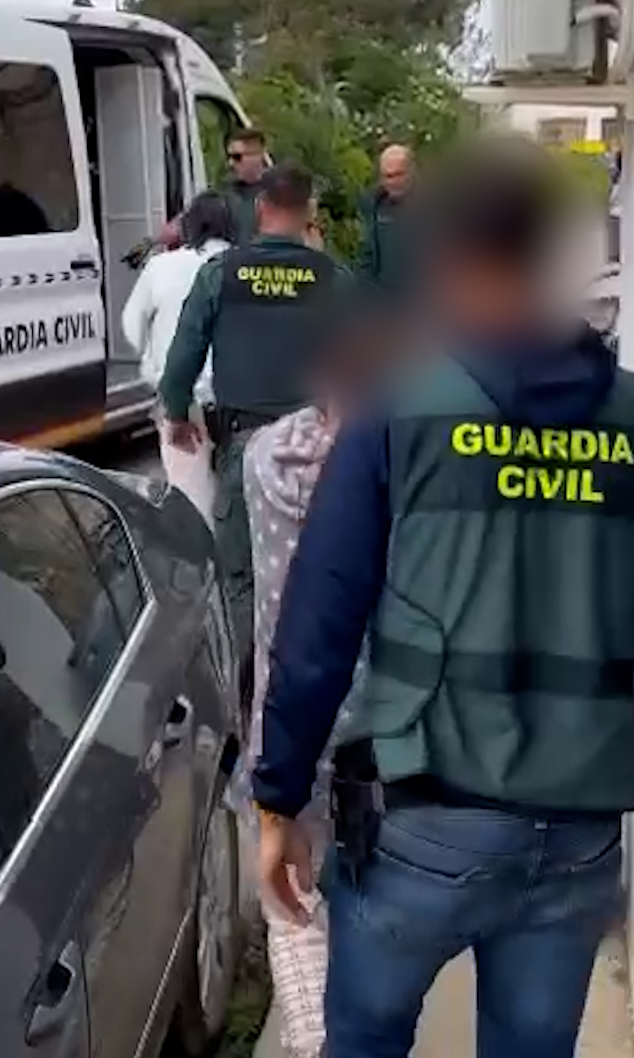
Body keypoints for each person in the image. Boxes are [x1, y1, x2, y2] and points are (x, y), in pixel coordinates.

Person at [250, 135, 634, 1058]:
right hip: (578, 831)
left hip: (419, 825)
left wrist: (280, 801)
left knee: (364, 1040)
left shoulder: (399, 410)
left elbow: (319, 626)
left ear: (444, 254)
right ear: (547, 253)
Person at [239, 289, 408, 1058]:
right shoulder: (412, 472)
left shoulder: (267, 461)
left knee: (297, 920)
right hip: (390, 756)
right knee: (374, 949)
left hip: (288, 745)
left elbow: (282, 621)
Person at [158, 163, 345, 665]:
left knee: (240, 578)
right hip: (314, 453)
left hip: (243, 447)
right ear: (308, 212)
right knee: (317, 573)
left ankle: (244, 692)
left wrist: (176, 415)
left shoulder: (220, 274)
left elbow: (182, 360)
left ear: (260, 208)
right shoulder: (331, 278)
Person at [120, 191, 237, 516]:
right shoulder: (243, 266)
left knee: (193, 504)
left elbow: (131, 325)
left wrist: (153, 360)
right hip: (235, 403)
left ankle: (203, 547)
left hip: (179, 404)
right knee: (238, 501)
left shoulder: (160, 266)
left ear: (190, 226)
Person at [359, 144, 415, 292]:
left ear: (411, 171)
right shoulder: (375, 205)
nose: (393, 182)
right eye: (388, 176)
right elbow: (367, 257)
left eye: (399, 174)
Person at [223, 126, 270, 244]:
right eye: (229, 157)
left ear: (258, 155)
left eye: (237, 157)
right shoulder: (224, 196)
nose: (230, 163)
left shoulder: (279, 195)